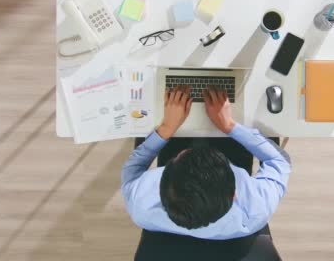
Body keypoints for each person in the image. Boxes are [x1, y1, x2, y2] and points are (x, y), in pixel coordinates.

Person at [121, 85, 291, 240]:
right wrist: (229, 126)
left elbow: (133, 168)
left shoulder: (141, 205)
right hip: (229, 147)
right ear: (234, 194)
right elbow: (279, 160)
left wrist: (167, 127)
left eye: (181, 155)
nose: (190, 149)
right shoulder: (255, 210)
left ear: (162, 189)